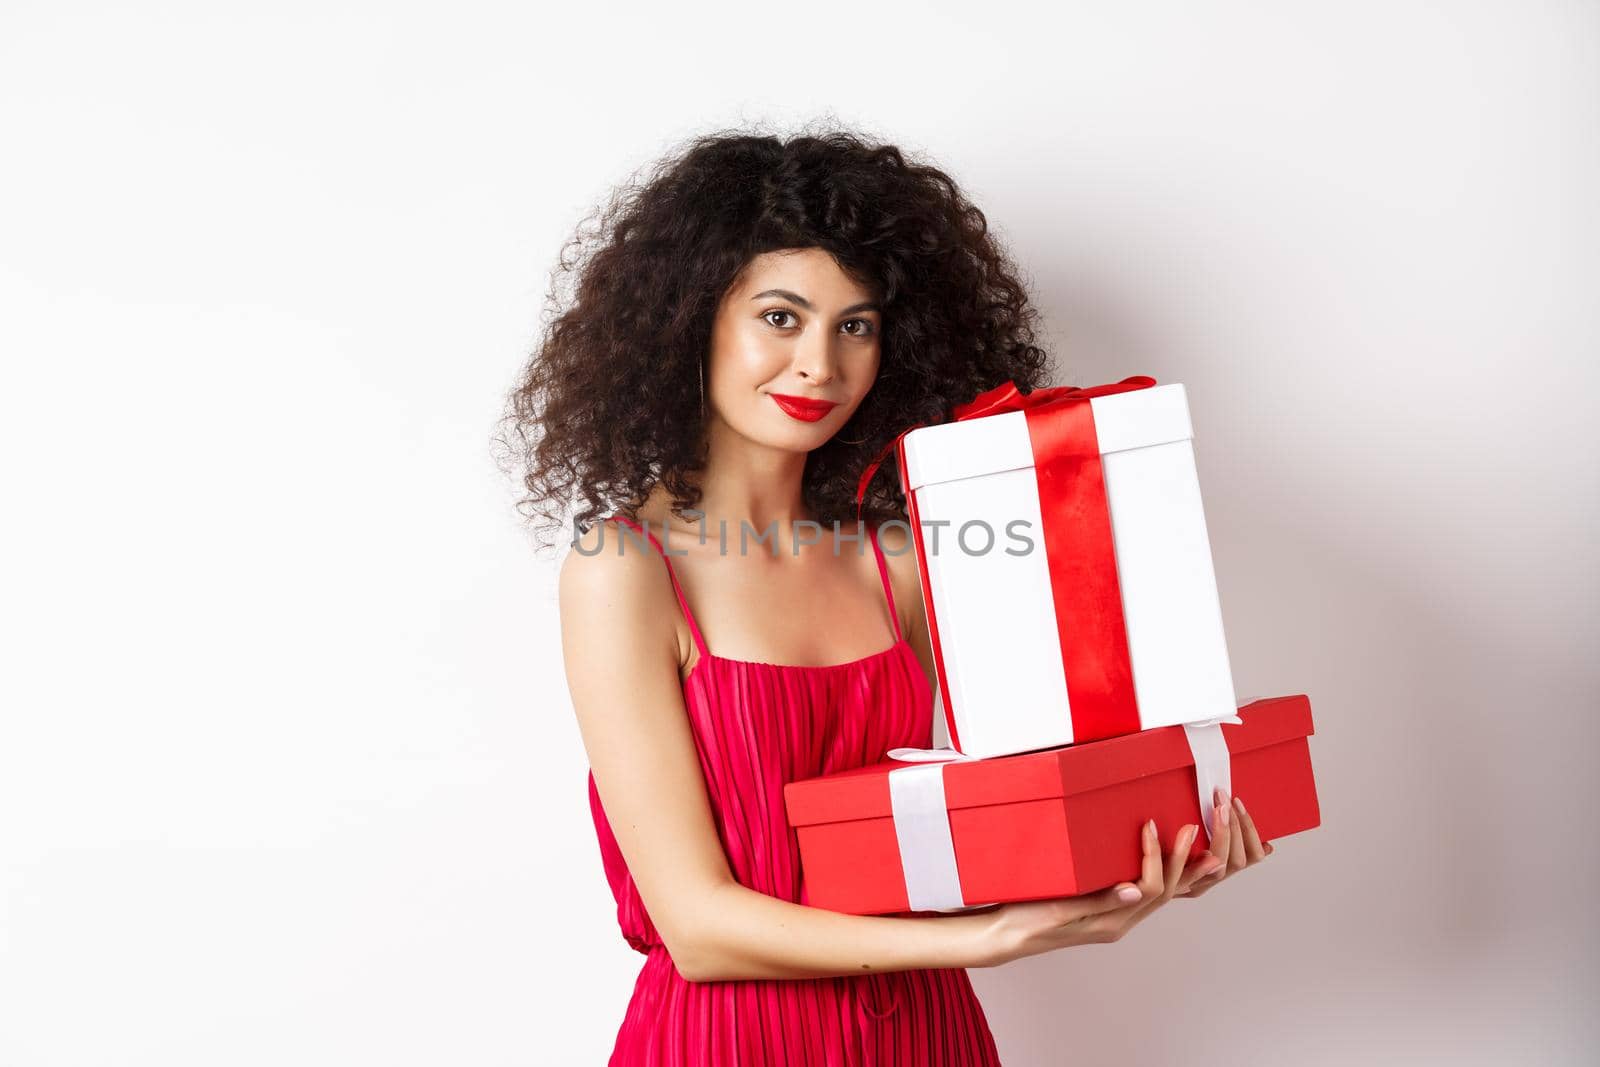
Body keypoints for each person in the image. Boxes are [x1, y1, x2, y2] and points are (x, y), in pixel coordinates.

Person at [498, 123, 1273, 1066]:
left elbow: (973, 818)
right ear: (689, 318)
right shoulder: (624, 568)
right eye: (780, 317)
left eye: (855, 325)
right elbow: (698, 926)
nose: (822, 365)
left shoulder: (900, 557)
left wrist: (1145, 854)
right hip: (732, 1043)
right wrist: (984, 942)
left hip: (927, 1036)